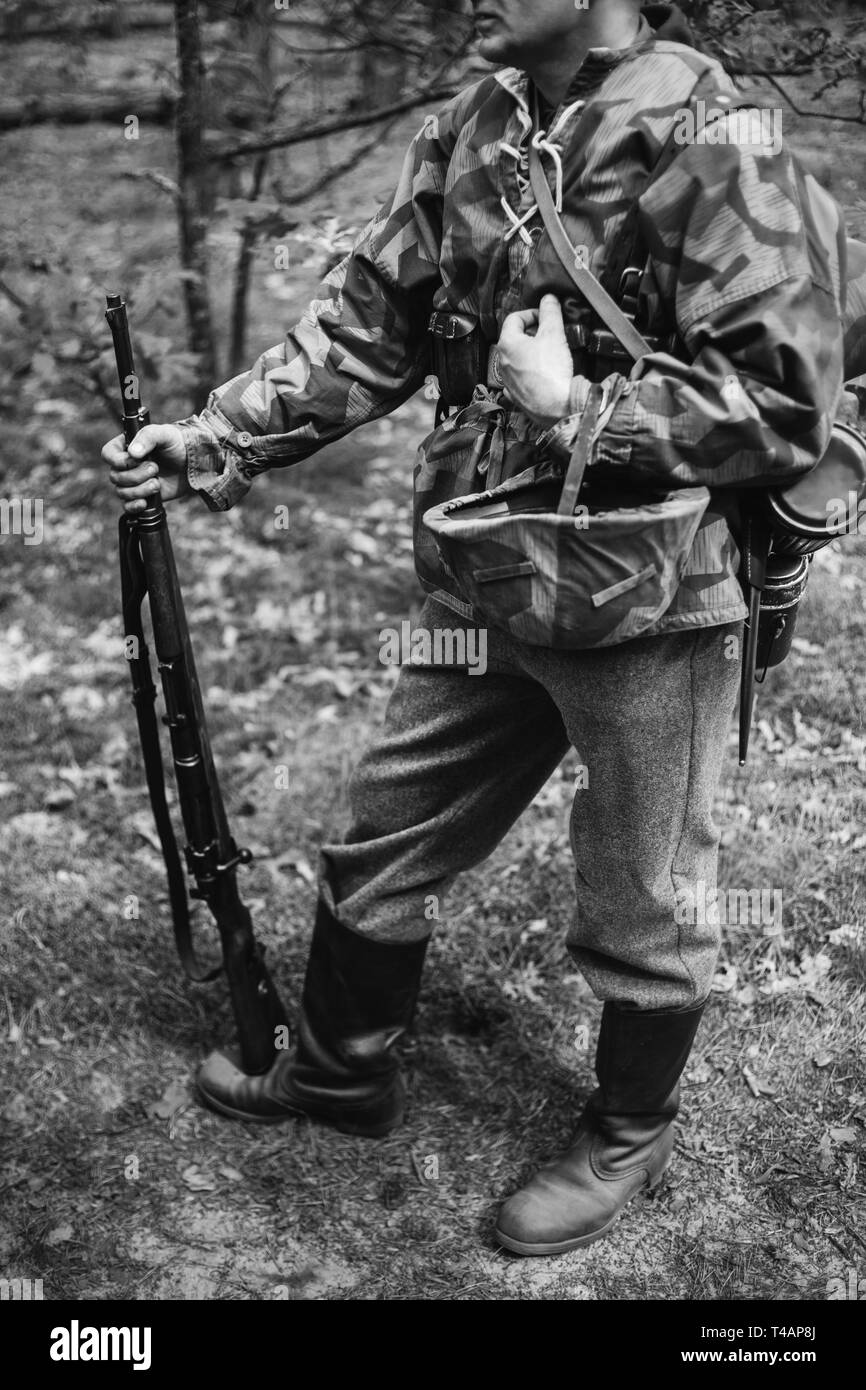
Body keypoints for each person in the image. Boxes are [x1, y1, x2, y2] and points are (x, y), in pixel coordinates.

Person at [103, 0, 850, 1256]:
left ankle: (624, 1130)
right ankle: (339, 1068)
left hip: (643, 596)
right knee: (385, 824)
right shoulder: (481, 121)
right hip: (483, 565)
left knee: (645, 888)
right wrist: (220, 437)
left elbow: (779, 400)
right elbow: (372, 318)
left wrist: (576, 409)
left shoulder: (722, 133)